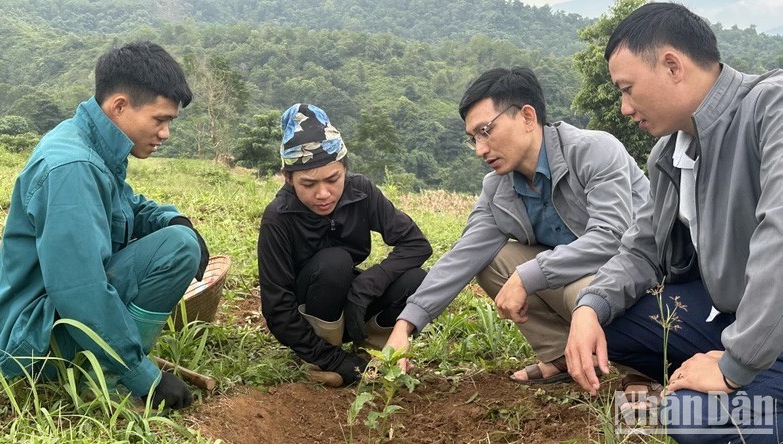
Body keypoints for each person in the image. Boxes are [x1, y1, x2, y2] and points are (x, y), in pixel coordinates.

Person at [565, 3, 783, 441]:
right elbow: (642, 247)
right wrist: (589, 306)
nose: (625, 108)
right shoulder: (670, 154)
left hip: (771, 323)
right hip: (731, 314)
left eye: (627, 89)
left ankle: (744, 399)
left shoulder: (770, 107)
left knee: (691, 421)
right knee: (603, 325)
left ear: (671, 65)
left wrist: (732, 367)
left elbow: (779, 239)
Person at [385, 67, 649, 383]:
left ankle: (641, 366)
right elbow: (462, 257)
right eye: (473, 139)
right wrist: (405, 325)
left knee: (582, 292)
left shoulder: (592, 150)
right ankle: (562, 356)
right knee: (493, 262)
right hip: (574, 276)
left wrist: (527, 276)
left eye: (486, 131)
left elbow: (613, 237)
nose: (481, 149)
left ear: (526, 117)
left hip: (636, 277)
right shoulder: (499, 188)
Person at [0, 41, 208, 410]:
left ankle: (118, 362)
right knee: (178, 248)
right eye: (160, 120)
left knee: (178, 234)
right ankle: (110, 378)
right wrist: (146, 377)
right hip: (31, 344)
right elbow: (80, 291)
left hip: (40, 319)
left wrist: (172, 217)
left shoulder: (88, 140)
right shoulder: (73, 167)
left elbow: (123, 204)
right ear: (120, 106)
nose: (165, 134)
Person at [257, 103, 432, 386]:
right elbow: (277, 309)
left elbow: (416, 244)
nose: (323, 193)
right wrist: (336, 361)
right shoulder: (278, 218)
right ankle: (321, 357)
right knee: (334, 262)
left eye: (333, 179)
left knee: (416, 279)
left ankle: (375, 349)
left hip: (354, 308)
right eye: (308, 184)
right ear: (288, 177)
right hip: (313, 314)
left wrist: (367, 285)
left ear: (345, 168)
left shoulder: (361, 191)